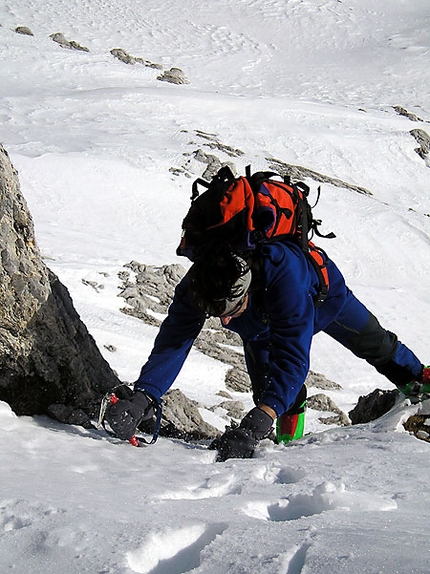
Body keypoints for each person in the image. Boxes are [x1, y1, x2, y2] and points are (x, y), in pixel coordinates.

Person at [105, 241, 429, 461]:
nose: (224, 320)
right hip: (258, 324)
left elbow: (293, 357)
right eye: (217, 313)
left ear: (245, 288)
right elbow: (174, 341)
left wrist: (257, 422)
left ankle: (422, 385)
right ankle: (289, 449)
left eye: (230, 309)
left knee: (376, 344)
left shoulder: (284, 276)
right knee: (267, 391)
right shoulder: (201, 284)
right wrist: (144, 395)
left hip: (323, 300)